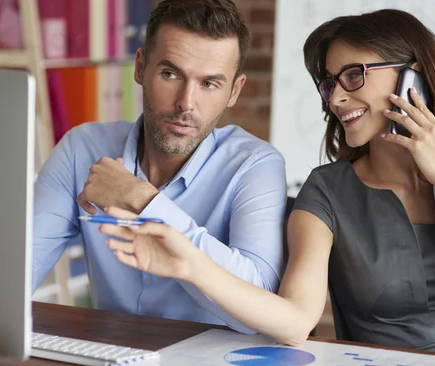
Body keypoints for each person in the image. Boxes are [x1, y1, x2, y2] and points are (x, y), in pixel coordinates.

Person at [99, 9, 435, 360]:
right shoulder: (326, 192)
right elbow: (296, 319)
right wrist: (189, 264)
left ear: (412, 76)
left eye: (354, 76)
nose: (335, 98)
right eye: (329, 82)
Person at [32, 0, 287, 333]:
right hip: (109, 365)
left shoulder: (255, 166)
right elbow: (14, 272)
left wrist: (144, 200)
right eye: (170, 74)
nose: (186, 103)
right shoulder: (82, 149)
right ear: (140, 68)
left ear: (234, 91)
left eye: (209, 84)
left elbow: (260, 306)